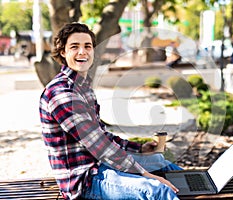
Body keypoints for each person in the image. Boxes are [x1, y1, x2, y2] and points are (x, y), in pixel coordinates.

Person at [39, 22, 182, 200]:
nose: (82, 52)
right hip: (84, 180)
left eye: (87, 46)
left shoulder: (83, 87)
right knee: (156, 190)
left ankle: (200, 190)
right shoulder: (61, 94)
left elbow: (102, 135)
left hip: (100, 164)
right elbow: (99, 145)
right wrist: (146, 175)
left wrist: (139, 148)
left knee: (161, 164)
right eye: (74, 47)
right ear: (63, 52)